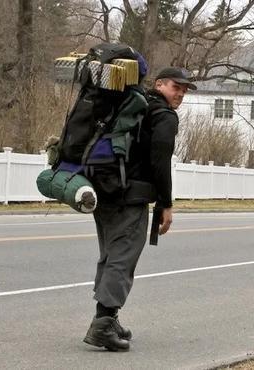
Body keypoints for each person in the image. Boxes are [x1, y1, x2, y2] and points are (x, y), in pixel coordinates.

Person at [83, 67, 196, 351]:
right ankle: (103, 323)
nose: (180, 93)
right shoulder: (163, 116)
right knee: (123, 258)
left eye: (184, 90)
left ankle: (108, 318)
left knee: (111, 254)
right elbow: (160, 161)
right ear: (159, 84)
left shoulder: (133, 107)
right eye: (176, 87)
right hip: (130, 196)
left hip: (103, 191)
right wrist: (166, 204)